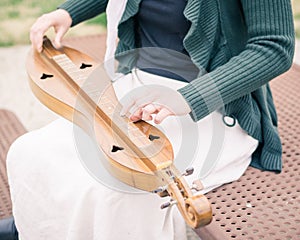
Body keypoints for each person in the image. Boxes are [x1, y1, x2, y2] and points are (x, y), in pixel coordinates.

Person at [2, 0, 295, 239]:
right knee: (30, 151)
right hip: (136, 85)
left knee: (114, 192)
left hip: (215, 105)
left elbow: (274, 47)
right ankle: (31, 228)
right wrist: (68, 11)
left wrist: (187, 98)